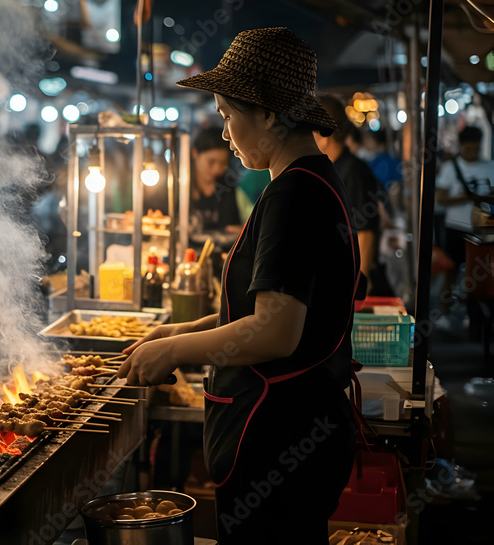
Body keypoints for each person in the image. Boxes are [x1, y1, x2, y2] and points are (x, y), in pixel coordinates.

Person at [119, 28, 358, 543]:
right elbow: (254, 311)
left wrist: (180, 349)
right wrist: (177, 331)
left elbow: (276, 334)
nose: (224, 134)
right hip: (292, 433)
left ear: (269, 114)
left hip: (280, 440)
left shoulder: (294, 194)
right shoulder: (305, 182)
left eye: (228, 116)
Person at [315, 95, 394, 297]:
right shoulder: (331, 167)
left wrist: (361, 284)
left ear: (324, 133)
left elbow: (366, 231)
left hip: (354, 280)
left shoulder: (353, 170)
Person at [435, 126, 494, 331]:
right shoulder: (452, 168)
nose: (473, 153)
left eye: (476, 149)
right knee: (451, 271)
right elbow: (439, 197)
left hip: (482, 230)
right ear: (462, 147)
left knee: (478, 275)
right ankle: (445, 314)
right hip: (455, 227)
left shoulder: (490, 167)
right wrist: (468, 197)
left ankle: (474, 317)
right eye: (469, 149)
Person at [189, 127, 241, 250]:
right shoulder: (178, 185)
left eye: (223, 163)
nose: (217, 169)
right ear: (195, 153)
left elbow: (232, 228)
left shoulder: (227, 187)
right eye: (211, 162)